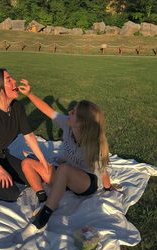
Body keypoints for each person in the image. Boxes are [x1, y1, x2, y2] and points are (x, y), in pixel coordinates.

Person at [16, 79, 112, 241]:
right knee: (27, 163)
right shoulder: (67, 125)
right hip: (64, 178)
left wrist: (109, 189)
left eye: (73, 113)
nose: (69, 113)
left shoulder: (93, 145)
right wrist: (30, 94)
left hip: (85, 183)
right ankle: (43, 199)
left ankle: (42, 219)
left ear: (81, 123)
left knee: (64, 169)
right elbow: (48, 111)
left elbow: (103, 172)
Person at [0, 69, 50, 202]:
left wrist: (42, 160)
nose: (14, 81)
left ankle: (2, 174)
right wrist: (0, 170)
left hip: (3, 156)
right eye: (9, 80)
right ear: (0, 89)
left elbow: (29, 135)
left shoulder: (17, 107)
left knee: (34, 177)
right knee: (11, 194)